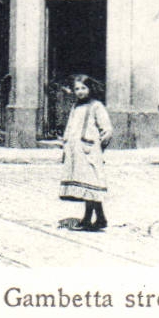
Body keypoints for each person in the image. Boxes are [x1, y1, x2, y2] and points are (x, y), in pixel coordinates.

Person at [58, 75, 112, 231]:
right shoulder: (75, 107)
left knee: (91, 185)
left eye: (83, 88)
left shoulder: (96, 106)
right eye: (77, 89)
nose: (80, 91)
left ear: (90, 89)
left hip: (89, 152)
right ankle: (100, 218)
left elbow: (107, 129)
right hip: (76, 152)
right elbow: (70, 127)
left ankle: (88, 219)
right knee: (88, 186)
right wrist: (66, 144)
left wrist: (97, 147)